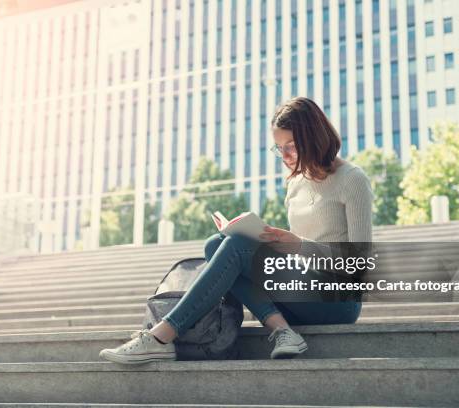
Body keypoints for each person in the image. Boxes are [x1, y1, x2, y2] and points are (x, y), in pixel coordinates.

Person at [99, 96, 374, 364]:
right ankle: (282, 330)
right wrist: (275, 241)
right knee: (216, 244)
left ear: (315, 137)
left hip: (337, 300)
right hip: (299, 292)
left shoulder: (352, 180)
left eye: (291, 145)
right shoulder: (296, 183)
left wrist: (298, 245)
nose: (285, 155)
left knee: (236, 247)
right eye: (279, 148)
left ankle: (160, 337)